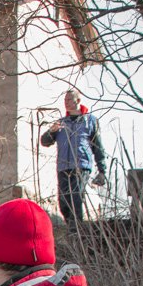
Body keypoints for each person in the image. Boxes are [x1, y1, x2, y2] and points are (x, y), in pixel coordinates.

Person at [40, 89, 107, 225]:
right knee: (64, 201)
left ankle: (76, 230)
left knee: (75, 197)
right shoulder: (61, 123)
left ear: (78, 101)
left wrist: (102, 170)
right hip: (63, 166)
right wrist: (51, 131)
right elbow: (45, 142)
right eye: (65, 100)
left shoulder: (89, 121)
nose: (67, 103)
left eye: (70, 99)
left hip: (81, 166)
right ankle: (72, 226)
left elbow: (98, 146)